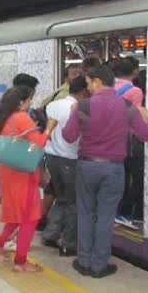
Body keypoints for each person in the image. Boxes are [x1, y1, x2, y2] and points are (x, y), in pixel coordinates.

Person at [62, 65, 148, 278]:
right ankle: (99, 265)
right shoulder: (128, 106)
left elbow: (68, 136)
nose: (87, 88)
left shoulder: (82, 106)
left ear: (97, 81)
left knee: (85, 213)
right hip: (113, 169)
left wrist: (73, 118)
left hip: (87, 166)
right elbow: (145, 134)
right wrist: (146, 118)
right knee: (106, 216)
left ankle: (83, 261)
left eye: (88, 83)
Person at [0, 86, 58, 273]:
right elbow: (39, 143)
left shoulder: (1, 118)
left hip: (6, 169)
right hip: (23, 172)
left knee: (15, 210)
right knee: (30, 217)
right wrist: (49, 128)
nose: (30, 104)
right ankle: (20, 262)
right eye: (29, 100)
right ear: (21, 102)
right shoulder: (21, 117)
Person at [41, 76, 89, 257]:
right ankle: (69, 244)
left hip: (52, 158)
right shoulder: (76, 109)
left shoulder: (53, 105)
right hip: (70, 159)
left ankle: (50, 234)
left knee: (61, 198)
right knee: (73, 203)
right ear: (84, 91)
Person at [113, 59, 146, 225]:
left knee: (121, 176)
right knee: (139, 177)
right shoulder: (135, 91)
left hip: (111, 138)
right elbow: (135, 116)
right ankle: (126, 211)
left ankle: (115, 211)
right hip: (129, 139)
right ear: (135, 72)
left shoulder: (110, 88)